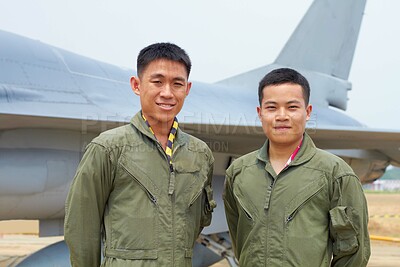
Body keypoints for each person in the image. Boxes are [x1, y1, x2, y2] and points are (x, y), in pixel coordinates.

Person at [64, 43, 216, 266]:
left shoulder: (200, 154)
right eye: (157, 82)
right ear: (136, 85)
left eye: (177, 84)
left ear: (187, 89)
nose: (167, 93)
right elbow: (81, 227)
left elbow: (197, 222)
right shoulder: (108, 148)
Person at [223, 68, 370, 266]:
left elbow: (354, 252)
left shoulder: (335, 173)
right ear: (260, 113)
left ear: (307, 112)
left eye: (292, 107)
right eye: (272, 107)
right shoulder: (239, 172)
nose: (281, 116)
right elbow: (239, 240)